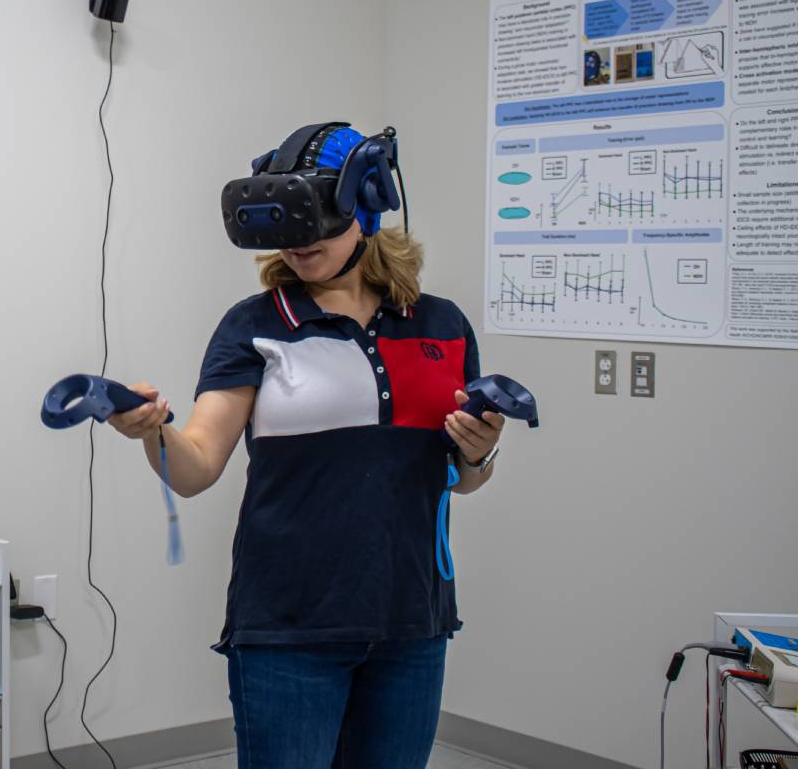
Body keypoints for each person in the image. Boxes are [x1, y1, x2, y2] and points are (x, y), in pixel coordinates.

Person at [108, 123, 507, 768]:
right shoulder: (256, 324)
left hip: (413, 620)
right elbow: (197, 466)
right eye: (286, 227)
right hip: (289, 628)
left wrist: (478, 450)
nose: (299, 243)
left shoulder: (443, 325)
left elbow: (463, 477)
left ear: (370, 205)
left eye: (316, 221)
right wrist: (152, 430)